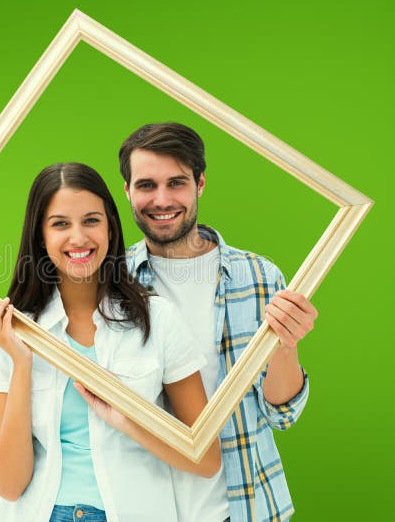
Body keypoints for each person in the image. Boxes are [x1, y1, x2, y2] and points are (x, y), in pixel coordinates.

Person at [0, 162, 220, 522]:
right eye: (60, 224)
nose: (78, 238)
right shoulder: (15, 329)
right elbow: (8, 484)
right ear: (41, 236)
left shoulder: (158, 320)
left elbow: (206, 459)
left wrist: (126, 418)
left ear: (110, 227)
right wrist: (20, 363)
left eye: (91, 221)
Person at [118, 122, 318, 522]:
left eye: (176, 183)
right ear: (127, 191)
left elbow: (281, 413)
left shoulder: (258, 275)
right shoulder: (109, 283)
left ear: (200, 183)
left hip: (243, 506)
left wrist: (287, 344)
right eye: (146, 185)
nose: (161, 199)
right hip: (142, 508)